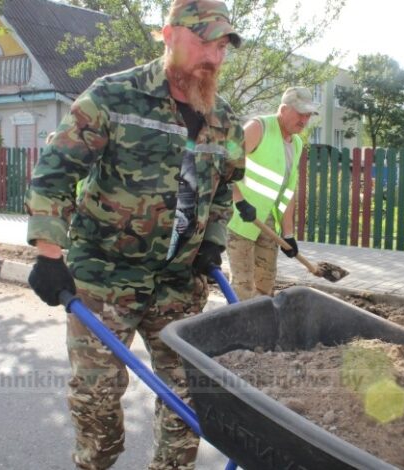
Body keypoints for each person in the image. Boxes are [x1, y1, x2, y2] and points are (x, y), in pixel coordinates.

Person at [23, 1, 244, 468]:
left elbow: (224, 189)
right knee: (97, 400)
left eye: (223, 46)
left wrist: (212, 240)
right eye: (204, 41)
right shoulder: (113, 96)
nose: (214, 56)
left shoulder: (224, 120)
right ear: (168, 35)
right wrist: (48, 253)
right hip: (104, 277)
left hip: (178, 284)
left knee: (187, 397)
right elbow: (55, 173)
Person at [226, 86, 319, 300]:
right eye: (300, 113)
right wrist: (239, 202)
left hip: (267, 222)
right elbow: (225, 163)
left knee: (265, 285)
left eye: (308, 115)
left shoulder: (296, 143)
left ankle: (262, 320)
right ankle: (240, 320)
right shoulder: (259, 127)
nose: (304, 120)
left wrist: (288, 234)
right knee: (242, 287)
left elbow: (287, 192)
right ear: (283, 109)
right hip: (241, 219)